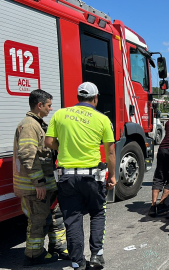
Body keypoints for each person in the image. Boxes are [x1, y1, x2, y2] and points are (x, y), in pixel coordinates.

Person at [45, 82, 116, 270]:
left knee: (73, 218)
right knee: (98, 212)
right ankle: (96, 256)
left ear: (78, 97)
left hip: (66, 177)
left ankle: (77, 261)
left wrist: (63, 148)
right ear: (95, 98)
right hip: (92, 177)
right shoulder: (102, 119)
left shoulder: (59, 114)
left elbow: (49, 141)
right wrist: (112, 176)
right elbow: (110, 152)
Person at [13, 89, 69, 266]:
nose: (51, 109)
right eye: (49, 105)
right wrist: (38, 183)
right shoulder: (30, 125)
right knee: (38, 220)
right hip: (34, 186)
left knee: (55, 215)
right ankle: (33, 254)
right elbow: (28, 154)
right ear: (40, 105)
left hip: (47, 183)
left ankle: (57, 246)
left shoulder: (38, 124)